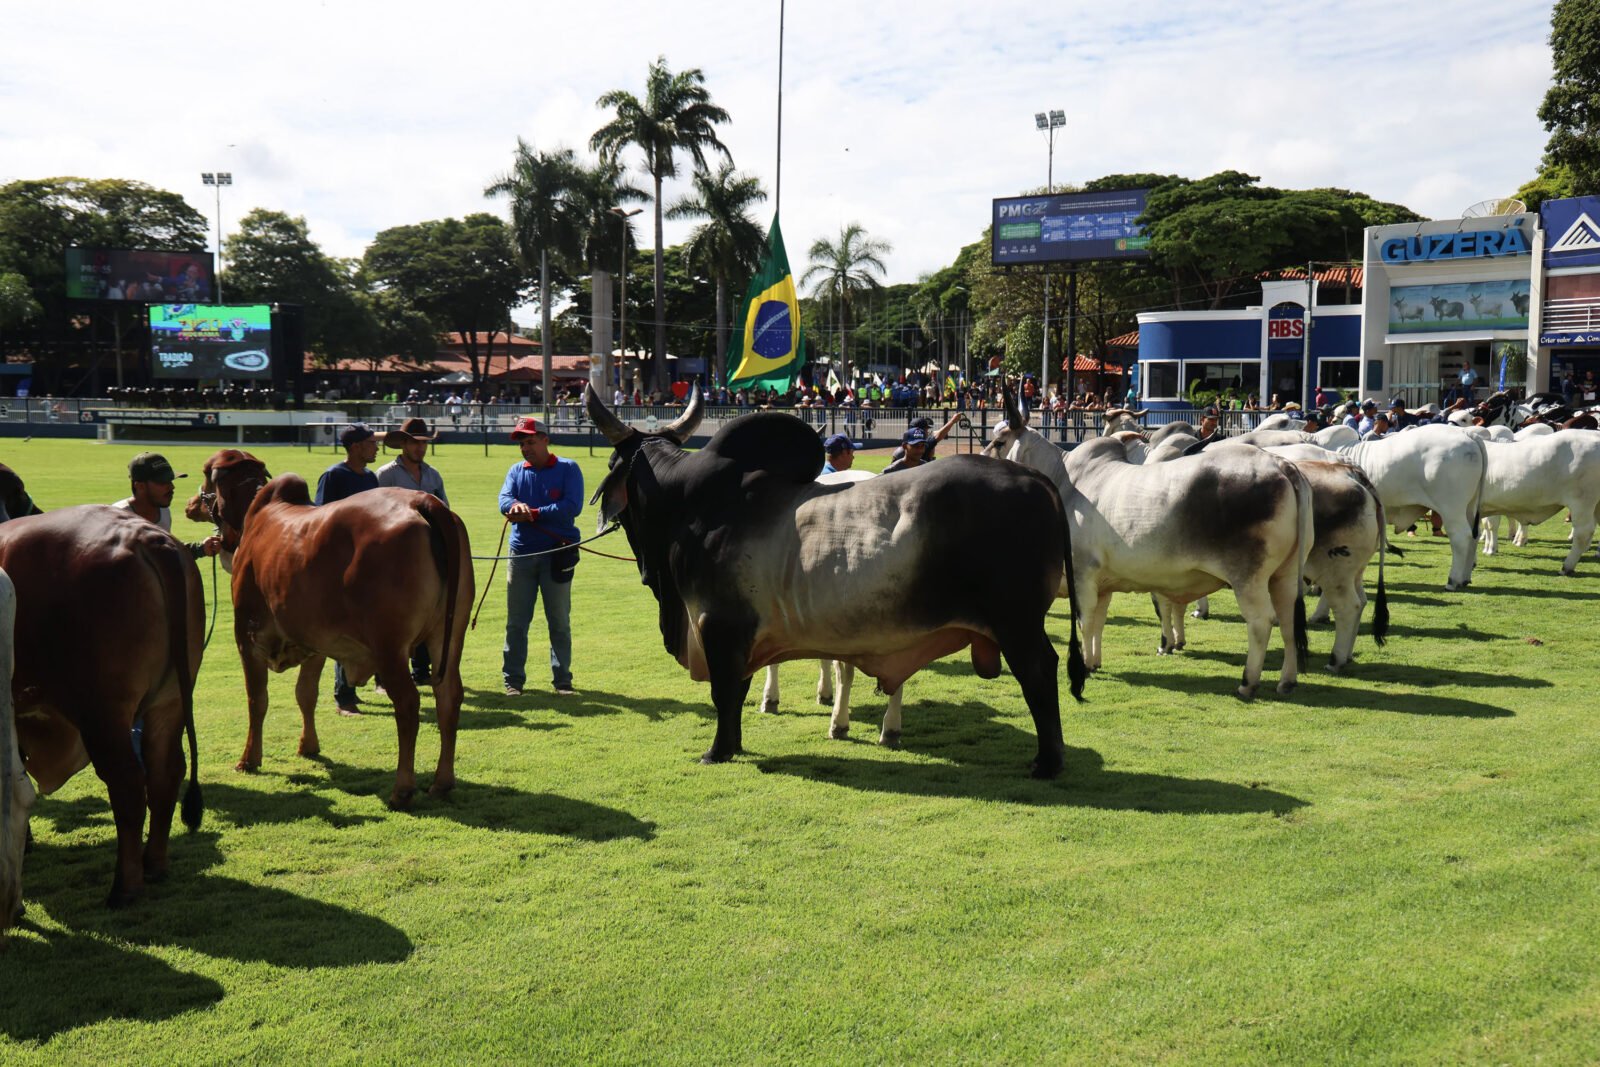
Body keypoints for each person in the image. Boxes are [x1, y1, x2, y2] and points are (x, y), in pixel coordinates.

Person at [499, 415, 583, 698]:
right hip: (521, 555)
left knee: (559, 621)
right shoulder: (515, 471)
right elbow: (504, 500)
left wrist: (533, 513)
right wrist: (514, 506)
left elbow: (572, 506)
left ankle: (562, 681)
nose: (526, 448)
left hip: (557, 555)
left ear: (546, 440)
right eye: (522, 443)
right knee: (516, 622)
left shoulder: (568, 469)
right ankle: (513, 681)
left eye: (531, 442)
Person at [378, 418, 448, 685]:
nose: (420, 448)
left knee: (424, 610)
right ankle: (384, 675)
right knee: (391, 616)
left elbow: (445, 510)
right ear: (404, 444)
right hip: (393, 556)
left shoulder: (433, 475)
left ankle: (421, 671)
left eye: (424, 444)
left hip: (427, 554)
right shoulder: (386, 475)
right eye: (415, 443)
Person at [317, 424, 381, 715]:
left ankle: (367, 683)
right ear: (355, 447)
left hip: (368, 567)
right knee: (345, 631)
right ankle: (344, 697)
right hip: (339, 568)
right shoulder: (333, 476)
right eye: (371, 442)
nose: (376, 447)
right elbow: (319, 520)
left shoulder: (370, 478)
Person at [113, 452, 221, 560]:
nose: (171, 487)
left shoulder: (163, 511)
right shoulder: (117, 516)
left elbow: (163, 553)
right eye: (162, 482)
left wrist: (200, 548)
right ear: (140, 486)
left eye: (170, 481)